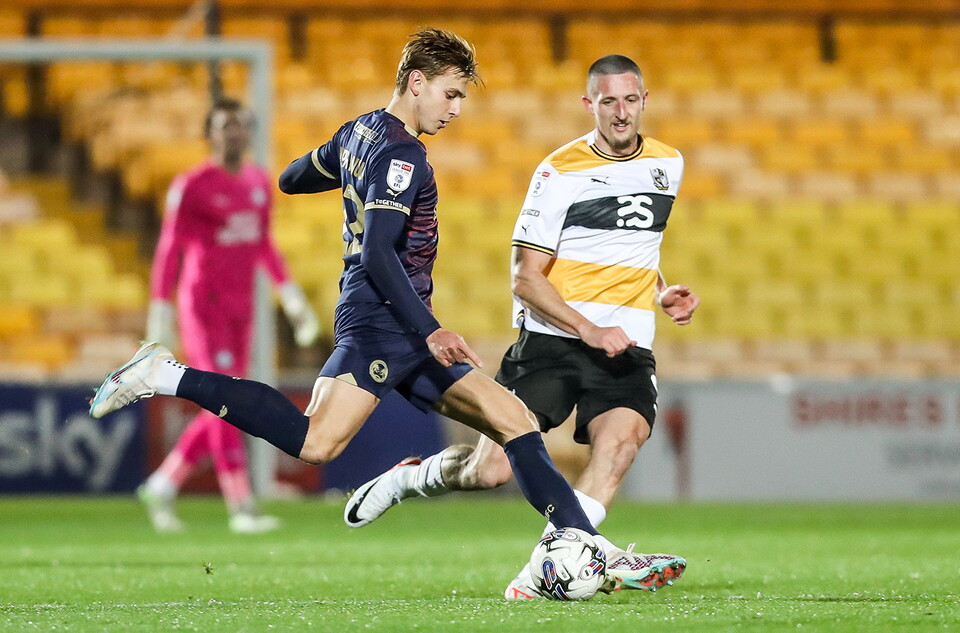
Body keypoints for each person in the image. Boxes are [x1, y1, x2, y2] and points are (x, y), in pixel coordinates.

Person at [89, 29, 660, 594]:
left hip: (390, 320)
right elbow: (380, 251)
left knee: (515, 422)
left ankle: (583, 544)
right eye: (451, 93)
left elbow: (290, 178)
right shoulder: (403, 154)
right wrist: (431, 329)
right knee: (316, 443)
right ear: (417, 82)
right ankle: (163, 373)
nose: (455, 109)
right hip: (386, 324)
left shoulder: (360, 132)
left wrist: (349, 166)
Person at [344, 54, 700, 599]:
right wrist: (587, 328)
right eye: (608, 102)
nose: (621, 113)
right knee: (490, 473)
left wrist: (661, 290)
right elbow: (525, 278)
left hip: (627, 346)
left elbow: (634, 245)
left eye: (630, 100)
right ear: (590, 105)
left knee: (622, 440)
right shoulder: (558, 171)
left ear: (645, 101)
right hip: (554, 342)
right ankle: (410, 477)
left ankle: (548, 569)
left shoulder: (668, 165)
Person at [136, 97, 320, 534]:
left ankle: (164, 483)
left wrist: (291, 298)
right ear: (210, 134)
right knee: (227, 402)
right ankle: (241, 505)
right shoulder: (192, 185)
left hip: (242, 310)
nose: (233, 133)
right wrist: (160, 310)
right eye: (224, 126)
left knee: (223, 403)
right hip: (204, 307)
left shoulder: (257, 183)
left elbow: (262, 245)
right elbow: (169, 249)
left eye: (239, 125)